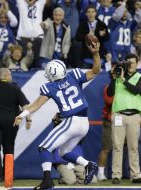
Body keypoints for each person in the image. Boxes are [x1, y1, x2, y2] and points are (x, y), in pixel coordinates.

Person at [14, 42, 101, 189]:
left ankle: (47, 181)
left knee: (44, 147)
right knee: (64, 152)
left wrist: (22, 114)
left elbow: (37, 104)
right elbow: (96, 71)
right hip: (84, 123)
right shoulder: (74, 75)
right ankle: (89, 165)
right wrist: (96, 53)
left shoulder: (49, 86)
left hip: (71, 121)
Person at [107, 53, 141, 184]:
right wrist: (113, 78)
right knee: (117, 147)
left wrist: (123, 79)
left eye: (132, 63)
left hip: (134, 116)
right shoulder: (118, 77)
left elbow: (137, 90)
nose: (130, 65)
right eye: (128, 63)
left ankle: (135, 175)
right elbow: (109, 93)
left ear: (137, 64)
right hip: (119, 114)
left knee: (133, 147)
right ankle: (116, 175)